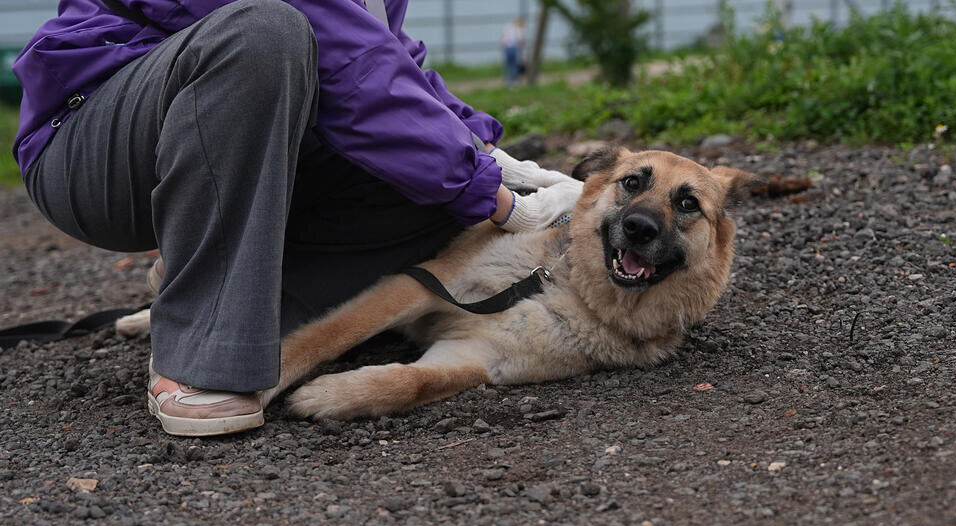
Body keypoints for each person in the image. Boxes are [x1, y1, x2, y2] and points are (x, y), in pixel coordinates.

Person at [12, 0, 582, 436]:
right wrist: (505, 202)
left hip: (230, 122)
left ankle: (225, 285)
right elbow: (341, 53)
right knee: (265, 32)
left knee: (427, 185)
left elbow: (390, 66)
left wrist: (506, 165)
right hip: (95, 139)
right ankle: (203, 353)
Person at [500, 16, 526, 85]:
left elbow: (503, 40)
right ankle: (514, 79)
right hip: (514, 48)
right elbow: (521, 41)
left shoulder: (507, 28)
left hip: (507, 48)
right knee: (515, 65)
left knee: (508, 64)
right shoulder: (519, 30)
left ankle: (508, 79)